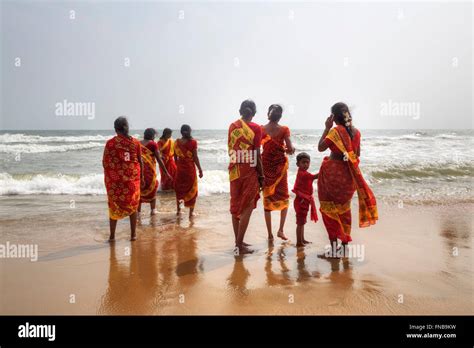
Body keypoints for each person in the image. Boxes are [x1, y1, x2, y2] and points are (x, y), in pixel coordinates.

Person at [317, 102, 378, 257]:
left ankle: (333, 249)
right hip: (348, 176)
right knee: (344, 210)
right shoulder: (356, 133)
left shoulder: (335, 131)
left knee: (329, 209)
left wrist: (326, 127)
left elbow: (321, 147)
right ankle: (343, 248)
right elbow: (357, 154)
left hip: (332, 175)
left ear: (334, 117)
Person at [228, 99, 264, 254]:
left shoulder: (232, 126)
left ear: (240, 111)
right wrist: (261, 174)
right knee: (247, 206)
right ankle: (239, 244)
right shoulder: (256, 128)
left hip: (234, 170)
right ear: (254, 113)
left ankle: (238, 242)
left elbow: (231, 149)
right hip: (248, 170)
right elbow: (256, 153)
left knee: (236, 205)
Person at [102, 116, 142, 241]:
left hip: (115, 184)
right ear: (127, 127)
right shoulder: (135, 143)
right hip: (132, 181)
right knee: (133, 206)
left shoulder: (110, 143)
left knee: (114, 207)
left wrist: (115, 173)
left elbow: (105, 163)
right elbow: (140, 162)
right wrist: (141, 177)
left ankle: (112, 236)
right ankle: (133, 235)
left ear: (115, 129)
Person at [261, 104, 295, 241]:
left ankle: (269, 234)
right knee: (284, 197)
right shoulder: (284, 130)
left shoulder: (261, 129)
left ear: (268, 114)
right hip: (280, 168)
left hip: (265, 167)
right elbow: (291, 149)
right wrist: (289, 149)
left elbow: (257, 149)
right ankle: (280, 230)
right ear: (280, 116)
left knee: (267, 199)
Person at [139, 128, 172, 215]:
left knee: (139, 191)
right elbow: (159, 160)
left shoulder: (138, 143)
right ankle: (153, 210)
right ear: (152, 136)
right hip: (149, 173)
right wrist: (166, 172)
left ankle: (138, 212)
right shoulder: (153, 144)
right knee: (153, 189)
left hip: (139, 172)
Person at [174, 124, 203, 218]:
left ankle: (179, 211)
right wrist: (200, 169)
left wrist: (178, 166)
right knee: (192, 189)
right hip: (190, 169)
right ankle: (191, 213)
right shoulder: (193, 142)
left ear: (181, 132)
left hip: (180, 169)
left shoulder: (176, 142)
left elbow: (175, 157)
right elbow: (195, 157)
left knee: (180, 190)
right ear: (189, 131)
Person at [292, 152, 318, 247]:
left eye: (307, 162)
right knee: (300, 223)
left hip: (303, 201)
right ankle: (299, 242)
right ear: (298, 164)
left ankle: (302, 239)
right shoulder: (303, 174)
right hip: (300, 202)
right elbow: (314, 177)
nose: (306, 164)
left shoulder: (304, 173)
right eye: (303, 162)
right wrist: (324, 168)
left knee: (302, 222)